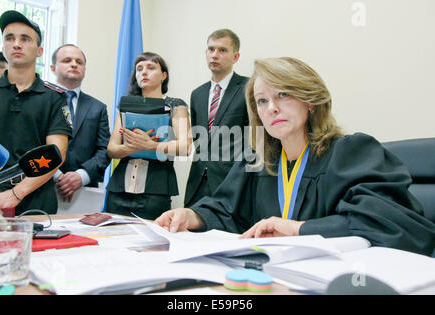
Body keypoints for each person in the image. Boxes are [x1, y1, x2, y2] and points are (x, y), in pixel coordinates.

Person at [155, 57, 435, 256]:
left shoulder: (350, 152)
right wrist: (191, 216)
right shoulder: (257, 161)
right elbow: (228, 210)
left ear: (310, 100)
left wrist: (298, 228)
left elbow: (392, 224)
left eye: (284, 94)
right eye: (262, 101)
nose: (271, 108)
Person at [0, 10, 72, 215]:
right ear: (4, 46)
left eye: (25, 39)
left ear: (39, 50)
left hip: (36, 203)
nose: (16, 44)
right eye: (10, 38)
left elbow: (56, 153)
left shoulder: (54, 97)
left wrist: (16, 193)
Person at [106, 52, 192, 220]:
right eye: (139, 69)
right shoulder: (125, 105)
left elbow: (185, 147)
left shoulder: (176, 105)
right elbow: (111, 149)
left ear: (164, 76)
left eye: (151, 67)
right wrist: (129, 147)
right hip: (118, 191)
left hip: (155, 191)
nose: (143, 72)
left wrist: (150, 145)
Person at [184, 29, 250, 208]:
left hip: (232, 184)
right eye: (211, 49)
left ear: (235, 57)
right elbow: (200, 139)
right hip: (198, 184)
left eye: (222, 50)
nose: (215, 55)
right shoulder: (197, 94)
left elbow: (255, 141)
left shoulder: (249, 88)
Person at [50, 44, 110, 202]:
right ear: (53, 68)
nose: (74, 64)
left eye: (79, 62)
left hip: (85, 190)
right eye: (67, 60)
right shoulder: (38, 102)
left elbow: (104, 150)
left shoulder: (98, 108)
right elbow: (31, 143)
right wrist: (56, 175)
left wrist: (81, 176)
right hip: (43, 186)